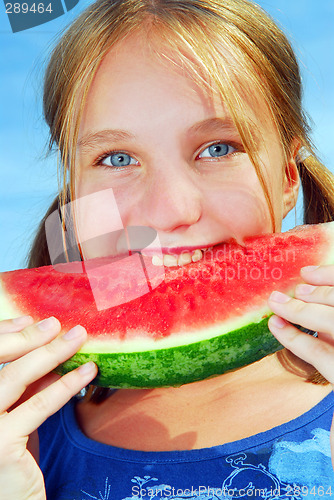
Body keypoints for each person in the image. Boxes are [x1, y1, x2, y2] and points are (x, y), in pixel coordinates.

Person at [1, 0, 334, 498]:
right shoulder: (22, 433)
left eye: (218, 148)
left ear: (288, 176)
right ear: (72, 197)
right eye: (116, 158)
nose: (171, 210)